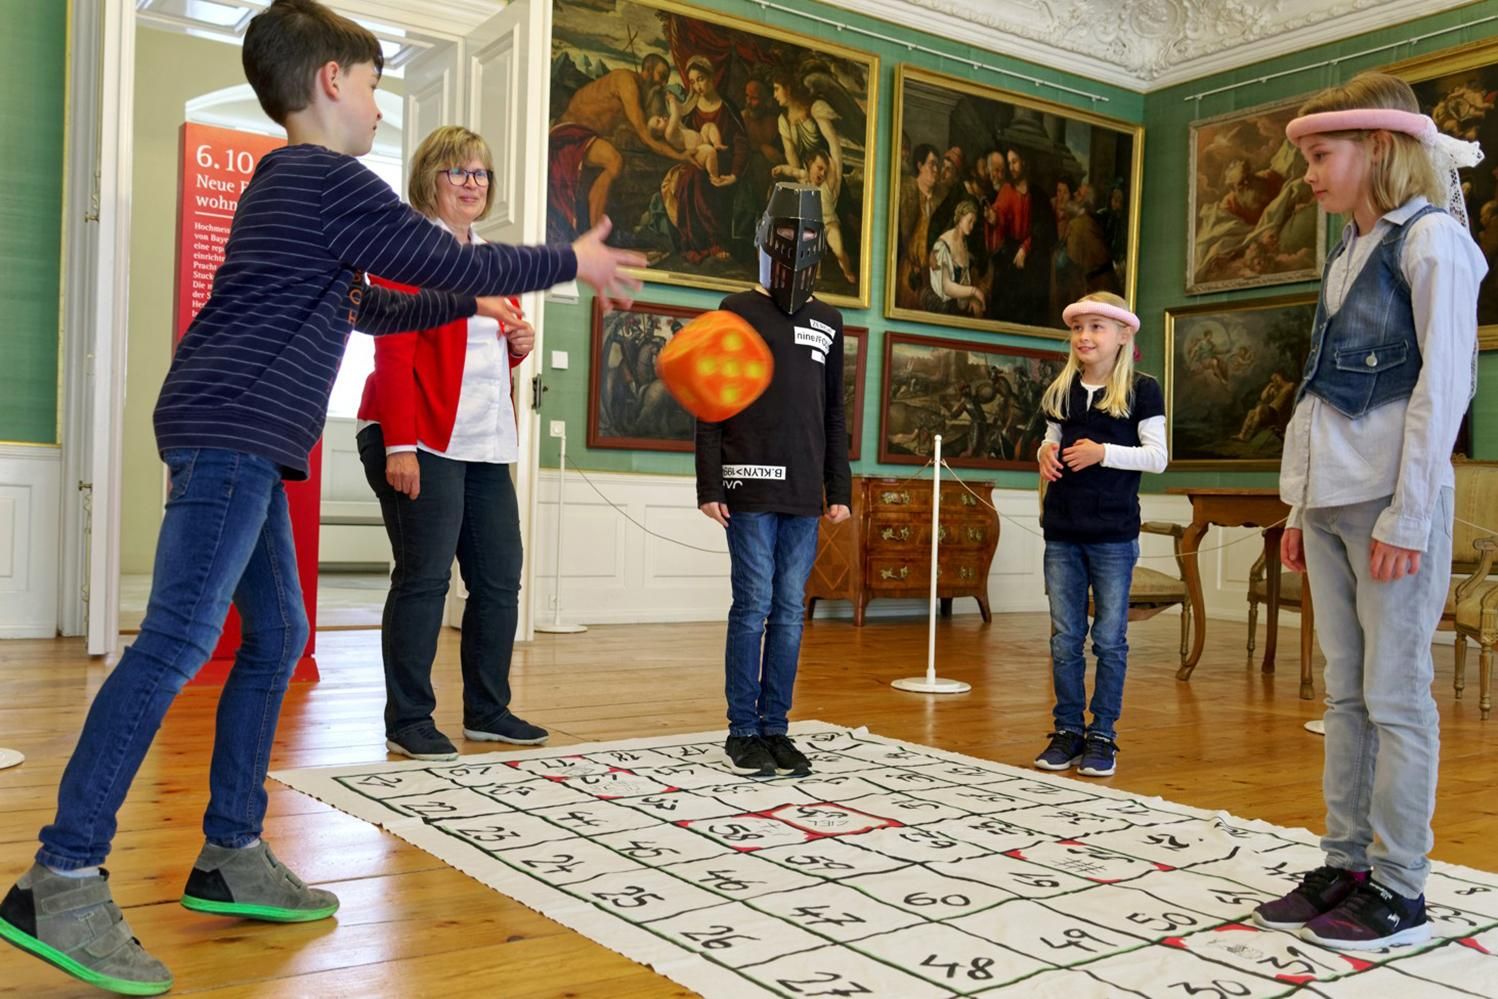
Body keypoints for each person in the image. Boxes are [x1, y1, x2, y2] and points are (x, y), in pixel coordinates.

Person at [0, 2, 643, 993]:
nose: (383, 109)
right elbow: (432, 255)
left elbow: (380, 301)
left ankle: (229, 851)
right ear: (331, 83)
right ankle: (64, 874)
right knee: (175, 641)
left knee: (275, 634)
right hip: (231, 433)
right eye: (376, 86)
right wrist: (570, 260)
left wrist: (469, 301)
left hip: (239, 433)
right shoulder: (320, 176)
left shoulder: (299, 191)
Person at [1251, 73, 1485, 952]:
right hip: (1331, 502)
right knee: (1345, 695)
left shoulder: (1434, 245)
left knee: (1395, 695)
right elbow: (1321, 390)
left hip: (1391, 503)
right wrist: (1296, 508)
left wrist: (1408, 515)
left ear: (1377, 149)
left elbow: (1444, 387)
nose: (1306, 173)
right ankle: (1344, 861)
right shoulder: (1348, 251)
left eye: (1320, 155)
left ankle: (1401, 882)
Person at [356, 126, 549, 762]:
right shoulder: (406, 250)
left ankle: (489, 710)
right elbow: (395, 352)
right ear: (429, 180)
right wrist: (401, 446)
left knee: (499, 577)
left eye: (481, 174)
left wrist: (519, 349)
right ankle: (408, 720)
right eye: (457, 172)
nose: (472, 184)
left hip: (485, 444)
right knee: (424, 579)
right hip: (413, 436)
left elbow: (491, 361)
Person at [695, 183, 851, 778]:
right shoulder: (734, 312)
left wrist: (839, 488)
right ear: (766, 238)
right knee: (753, 604)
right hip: (748, 484)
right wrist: (709, 484)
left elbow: (835, 410)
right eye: (789, 236)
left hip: (804, 493)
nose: (799, 247)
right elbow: (711, 402)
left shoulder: (829, 322)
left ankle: (777, 728)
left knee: (789, 610)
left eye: (811, 238)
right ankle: (743, 730)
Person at [1034, 292, 1167, 779]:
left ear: (1123, 335)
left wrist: (1104, 452)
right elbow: (1051, 442)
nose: (1085, 336)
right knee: (1065, 638)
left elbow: (1157, 457)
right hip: (1062, 531)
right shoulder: (1061, 390)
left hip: (1112, 533)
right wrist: (1044, 456)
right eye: (1078, 328)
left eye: (1097, 327)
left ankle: (1102, 734)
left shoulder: (1144, 391)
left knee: (1109, 639)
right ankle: (1067, 729)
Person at [547, 52, 690, 241]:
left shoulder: (639, 92)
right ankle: (595, 236)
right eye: (661, 76)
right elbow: (644, 133)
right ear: (647, 70)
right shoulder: (626, 82)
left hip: (582, 135)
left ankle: (600, 231)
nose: (663, 83)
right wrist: (679, 156)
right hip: (567, 134)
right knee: (614, 161)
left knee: (614, 163)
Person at [649, 91, 730, 185]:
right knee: (710, 151)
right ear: (659, 133)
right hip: (697, 151)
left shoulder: (672, 128)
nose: (662, 118)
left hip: (702, 138)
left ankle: (717, 144)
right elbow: (675, 115)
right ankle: (714, 177)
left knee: (708, 126)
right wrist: (672, 100)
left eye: (659, 117)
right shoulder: (669, 133)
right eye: (658, 122)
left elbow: (678, 115)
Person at [923, 198, 986, 317]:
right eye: (970, 221)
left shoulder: (963, 242)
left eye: (974, 223)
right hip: (942, 306)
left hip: (957, 303)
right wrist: (974, 292)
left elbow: (964, 279)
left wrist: (971, 297)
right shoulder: (942, 246)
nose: (972, 226)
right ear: (960, 218)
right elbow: (946, 287)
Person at [805, 149, 856, 284]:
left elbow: (835, 168)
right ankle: (816, 276)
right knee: (813, 254)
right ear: (810, 165)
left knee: (839, 251)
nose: (822, 173)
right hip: (813, 226)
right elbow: (790, 171)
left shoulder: (827, 187)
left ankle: (847, 272)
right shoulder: (804, 183)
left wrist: (827, 156)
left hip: (829, 223)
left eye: (824, 171)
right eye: (820, 168)